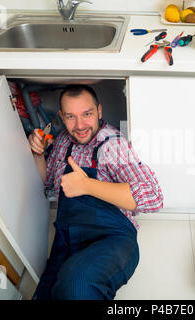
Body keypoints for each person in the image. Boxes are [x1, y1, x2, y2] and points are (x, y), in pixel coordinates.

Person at [28, 84, 163, 300]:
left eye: (87, 114)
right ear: (62, 116)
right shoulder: (63, 141)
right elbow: (46, 183)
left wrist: (87, 185)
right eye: (71, 116)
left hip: (112, 238)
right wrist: (37, 154)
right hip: (67, 240)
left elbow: (153, 196)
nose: (80, 125)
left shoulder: (112, 144)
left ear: (99, 111)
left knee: (77, 286)